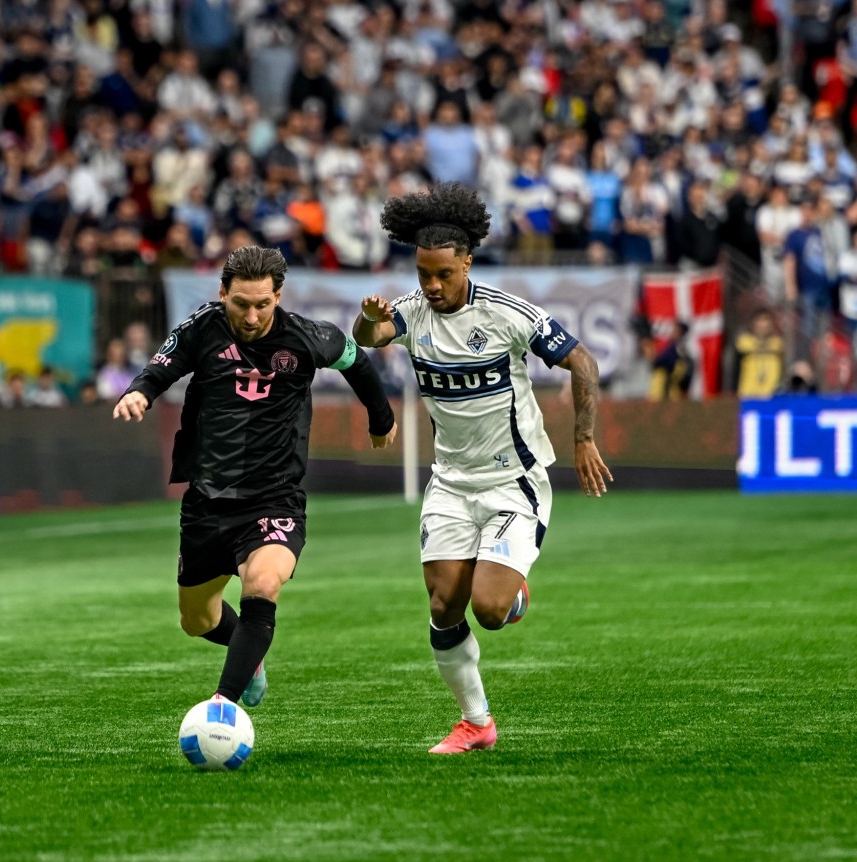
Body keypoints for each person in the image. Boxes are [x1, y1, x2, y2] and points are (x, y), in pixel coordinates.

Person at [352, 184, 611, 755]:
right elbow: (370, 339)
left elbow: (582, 360)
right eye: (423, 274)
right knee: (444, 604)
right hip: (450, 482)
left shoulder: (507, 314)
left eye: (443, 274)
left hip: (513, 483)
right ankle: (476, 723)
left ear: (466, 261)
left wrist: (584, 437)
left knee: (489, 610)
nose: (432, 286)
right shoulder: (414, 311)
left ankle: (511, 593)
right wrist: (367, 321)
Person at [113, 245, 397, 709]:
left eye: (262, 304)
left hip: (274, 497)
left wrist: (380, 418)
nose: (251, 316)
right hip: (207, 499)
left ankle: (221, 707)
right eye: (240, 303)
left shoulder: (307, 336)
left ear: (278, 296)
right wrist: (140, 394)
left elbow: (357, 361)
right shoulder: (201, 327)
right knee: (196, 620)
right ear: (222, 292)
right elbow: (162, 366)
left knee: (262, 585)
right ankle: (250, 654)